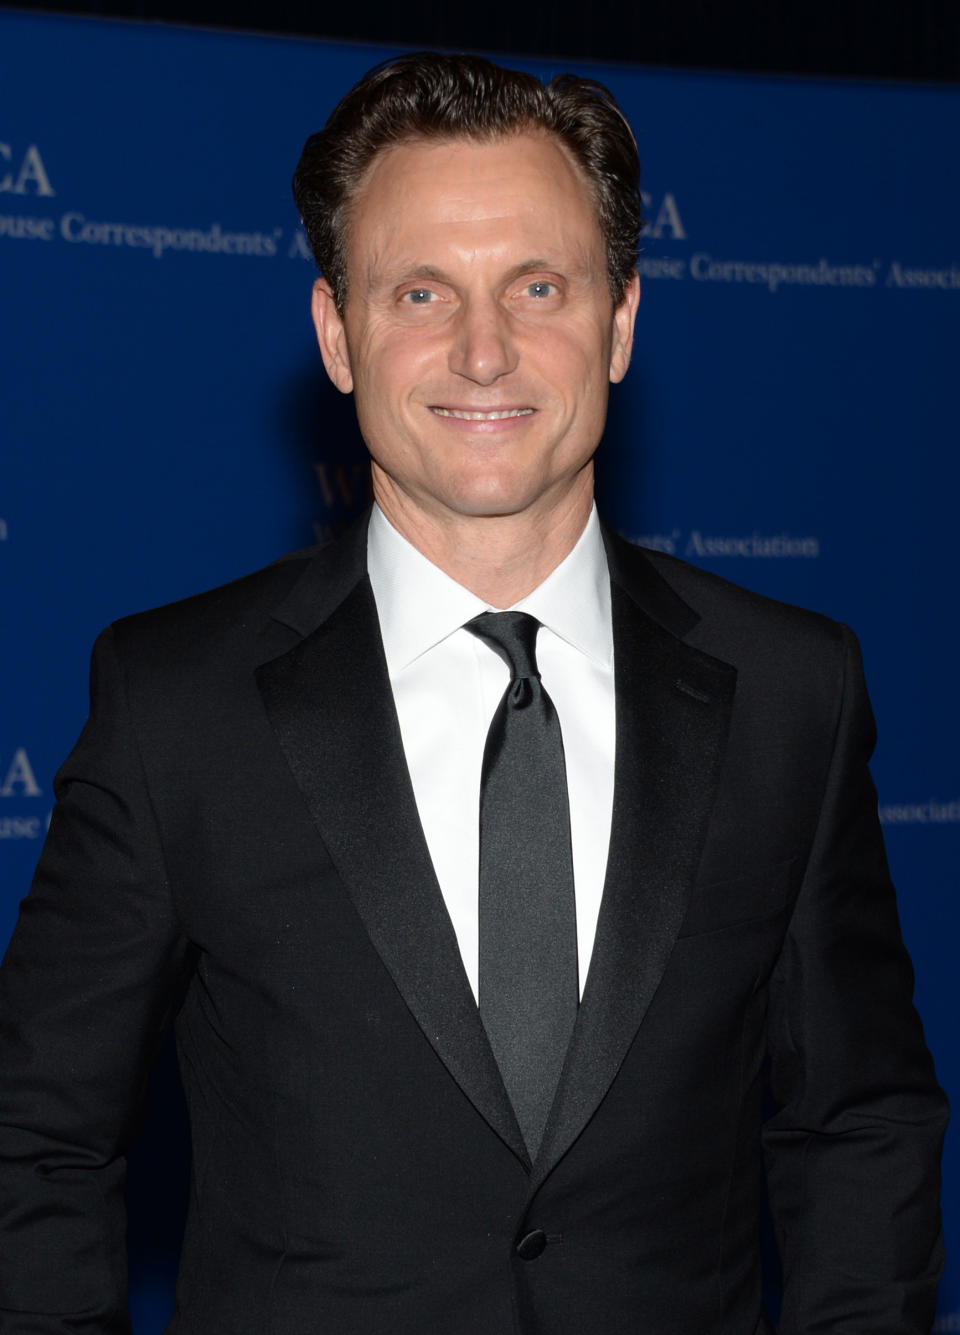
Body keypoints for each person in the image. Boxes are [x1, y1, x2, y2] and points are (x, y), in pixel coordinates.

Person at [0, 51, 947, 1335]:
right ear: (339, 335)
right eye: (421, 292)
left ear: (620, 321)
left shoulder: (794, 691)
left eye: (539, 287)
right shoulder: (177, 704)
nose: (484, 350)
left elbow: (859, 1123)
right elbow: (35, 1142)